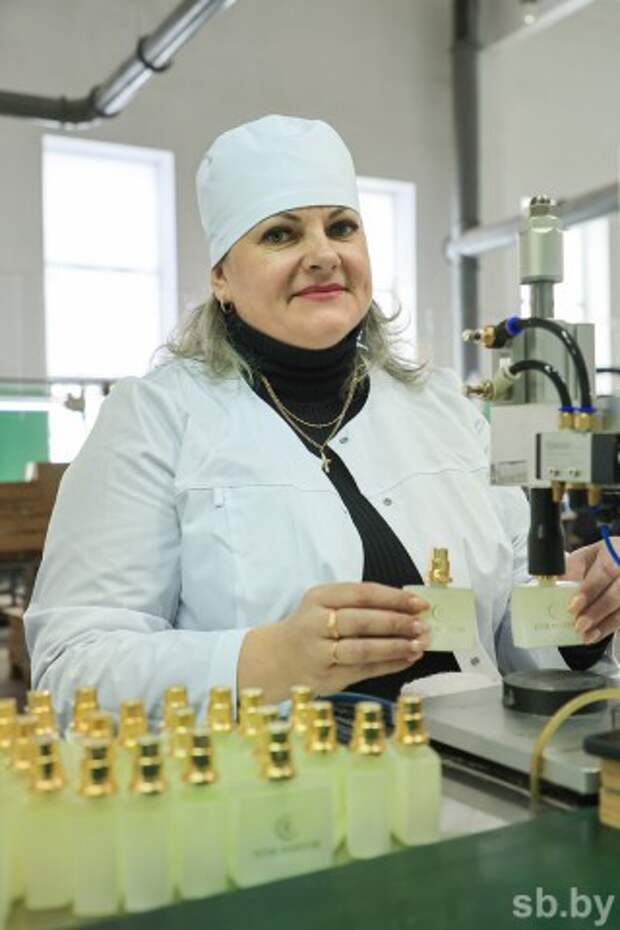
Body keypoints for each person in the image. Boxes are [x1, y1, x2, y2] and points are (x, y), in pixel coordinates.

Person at [25, 114, 618, 725]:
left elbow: (514, 631)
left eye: (342, 227)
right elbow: (73, 668)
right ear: (221, 277)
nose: (324, 255)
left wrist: (581, 615)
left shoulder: (445, 410)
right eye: (281, 234)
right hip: (269, 778)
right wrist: (265, 660)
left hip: (469, 771)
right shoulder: (153, 421)